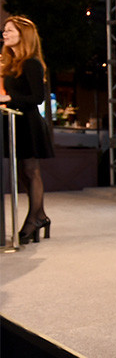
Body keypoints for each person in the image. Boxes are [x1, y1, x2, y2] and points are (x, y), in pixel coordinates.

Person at [1, 15, 53, 244]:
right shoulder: (10, 63)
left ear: (24, 35)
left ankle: (35, 219)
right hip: (14, 122)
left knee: (31, 171)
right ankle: (40, 216)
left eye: (10, 30)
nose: (5, 33)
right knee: (23, 173)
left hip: (28, 123)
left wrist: (9, 98)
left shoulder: (31, 63)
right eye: (5, 30)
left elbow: (37, 98)